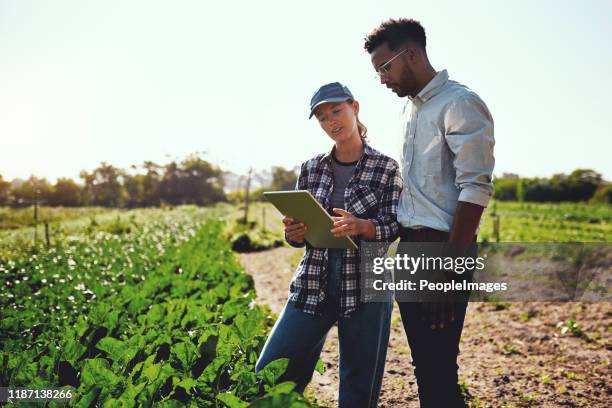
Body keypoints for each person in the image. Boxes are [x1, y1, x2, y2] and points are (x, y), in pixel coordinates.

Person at [364, 18, 495, 408]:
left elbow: (475, 187)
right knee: (425, 367)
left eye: (385, 67)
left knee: (438, 369)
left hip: (442, 251)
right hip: (411, 250)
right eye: (377, 72)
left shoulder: (459, 103)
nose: (383, 79)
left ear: (414, 54)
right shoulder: (410, 111)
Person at [255, 82, 403, 408]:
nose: (331, 121)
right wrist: (294, 233)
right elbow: (296, 235)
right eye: (322, 117)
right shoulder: (310, 168)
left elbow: (394, 225)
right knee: (270, 371)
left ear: (355, 107)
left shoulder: (386, 167)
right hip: (313, 279)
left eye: (336, 111)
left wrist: (363, 226)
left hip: (367, 283)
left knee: (358, 387)